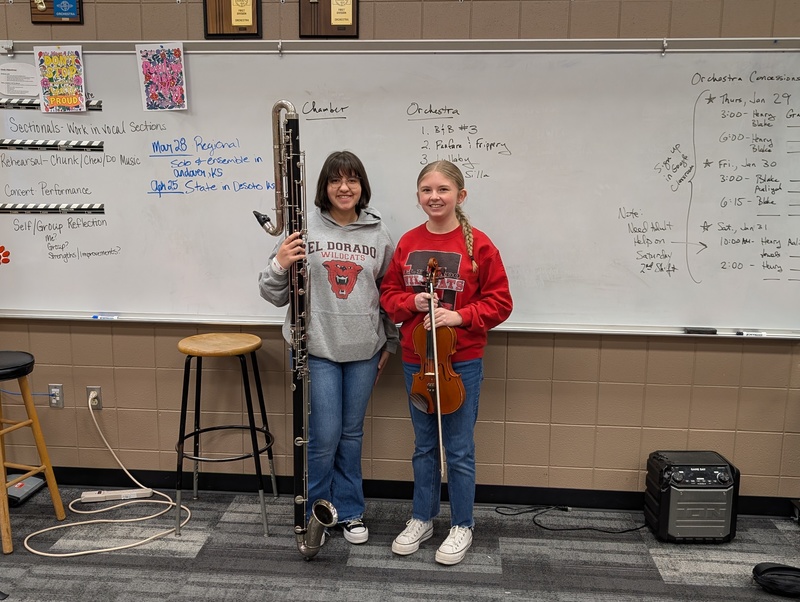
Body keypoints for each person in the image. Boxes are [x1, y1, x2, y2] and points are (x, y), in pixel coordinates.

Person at [259, 150, 397, 545]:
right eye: (336, 180)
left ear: (361, 186)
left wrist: (390, 340)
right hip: (317, 349)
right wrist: (278, 264)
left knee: (351, 435)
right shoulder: (304, 229)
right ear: (324, 186)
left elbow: (388, 293)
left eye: (352, 179)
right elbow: (273, 294)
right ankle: (316, 512)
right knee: (324, 435)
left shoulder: (378, 233)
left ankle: (350, 510)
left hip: (364, 352)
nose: (344, 187)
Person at [379, 160, 513, 566]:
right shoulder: (407, 243)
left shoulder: (480, 245)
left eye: (442, 190)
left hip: (462, 363)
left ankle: (462, 524)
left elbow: (501, 302)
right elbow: (388, 294)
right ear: (418, 195)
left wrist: (461, 316)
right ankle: (422, 517)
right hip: (416, 361)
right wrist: (412, 302)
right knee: (423, 447)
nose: (434, 197)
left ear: (460, 195)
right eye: (426, 190)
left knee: (457, 449)